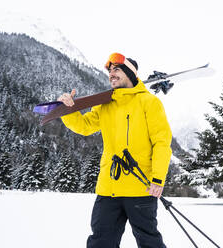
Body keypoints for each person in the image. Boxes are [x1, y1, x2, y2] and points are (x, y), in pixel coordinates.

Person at [57, 52, 172, 248]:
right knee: (100, 242)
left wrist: (158, 178)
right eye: (110, 71)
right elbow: (84, 126)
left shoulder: (149, 103)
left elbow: (162, 142)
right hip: (109, 188)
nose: (111, 74)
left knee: (149, 242)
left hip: (141, 188)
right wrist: (68, 110)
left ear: (130, 73)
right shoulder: (105, 105)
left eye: (117, 69)